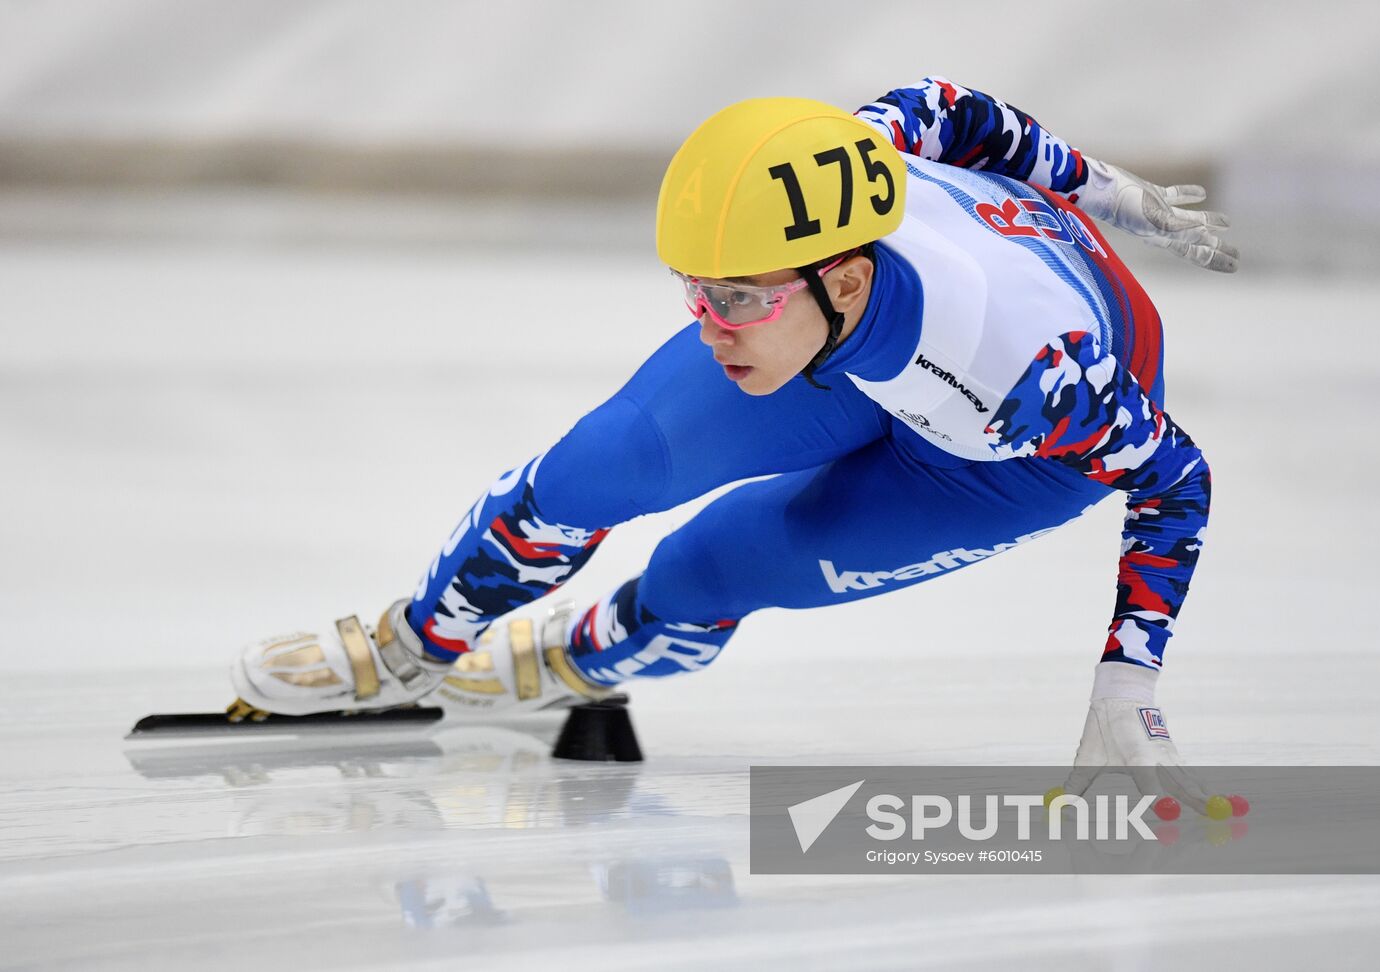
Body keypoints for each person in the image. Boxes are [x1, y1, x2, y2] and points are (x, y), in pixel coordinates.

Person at [230, 76, 1236, 813]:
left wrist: (1124, 681)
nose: (707, 324)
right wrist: (1108, 189)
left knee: (717, 565)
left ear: (840, 279)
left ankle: (581, 657)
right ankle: (414, 648)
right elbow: (950, 107)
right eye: (694, 290)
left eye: (735, 298)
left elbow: (1173, 479)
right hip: (873, 340)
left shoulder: (1029, 382)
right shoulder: (844, 162)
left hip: (1002, 453)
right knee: (600, 467)